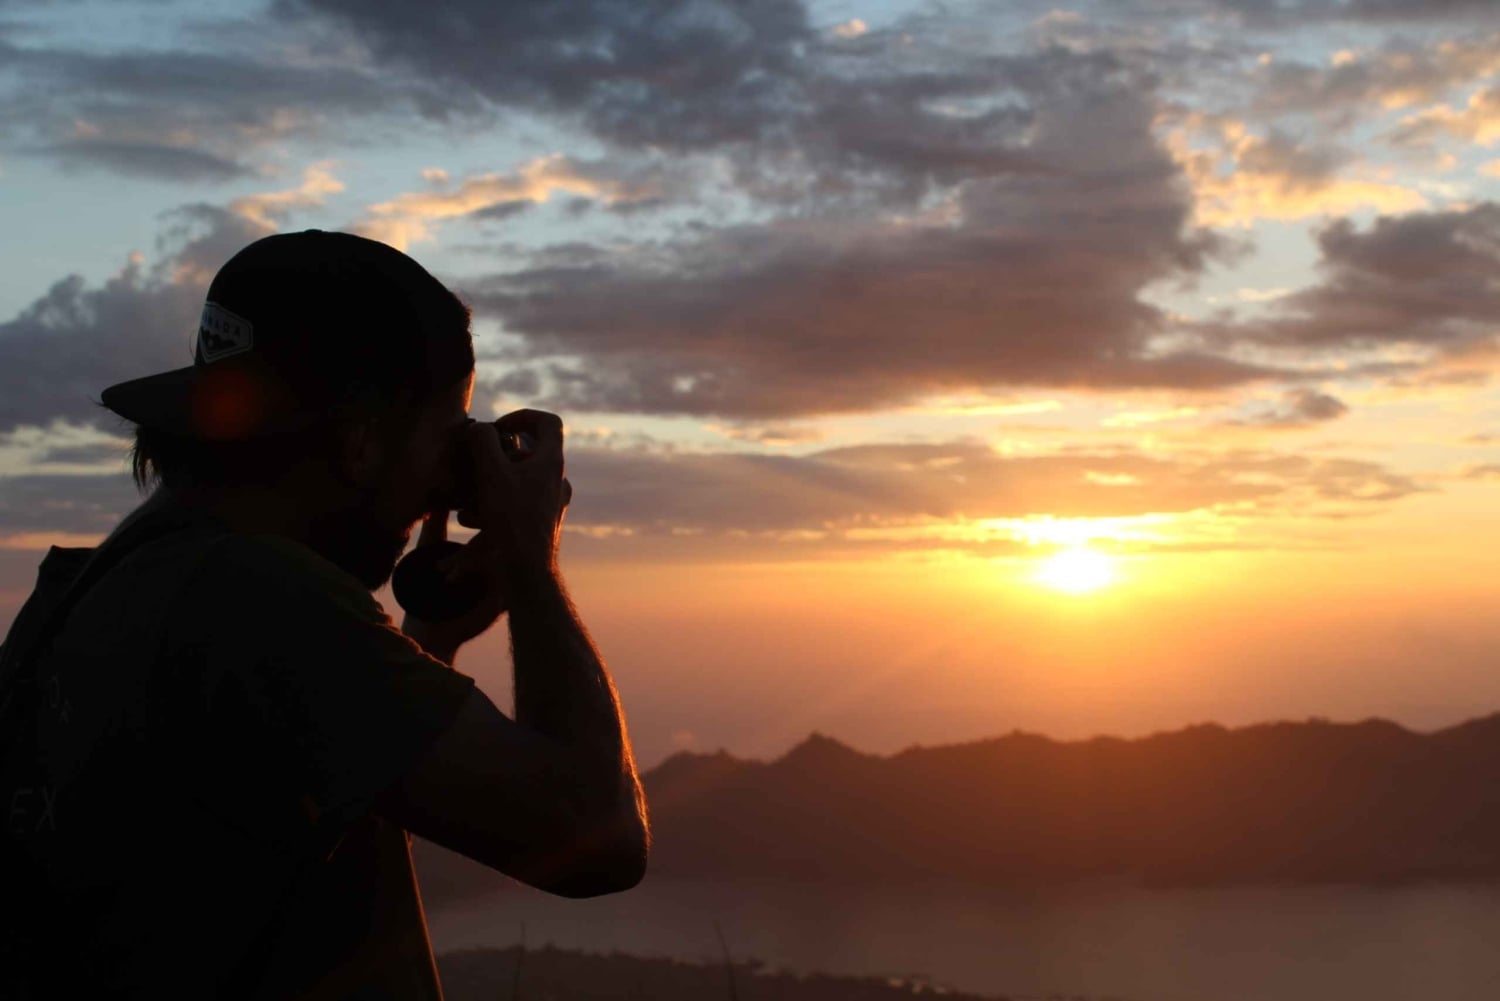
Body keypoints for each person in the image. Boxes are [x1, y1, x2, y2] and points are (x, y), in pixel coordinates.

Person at [0, 230, 649, 1000]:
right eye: (446, 437)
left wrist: (427, 647)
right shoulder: (255, 602)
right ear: (363, 444)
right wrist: (531, 564)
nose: (444, 487)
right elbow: (596, 838)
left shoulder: (91, 588)